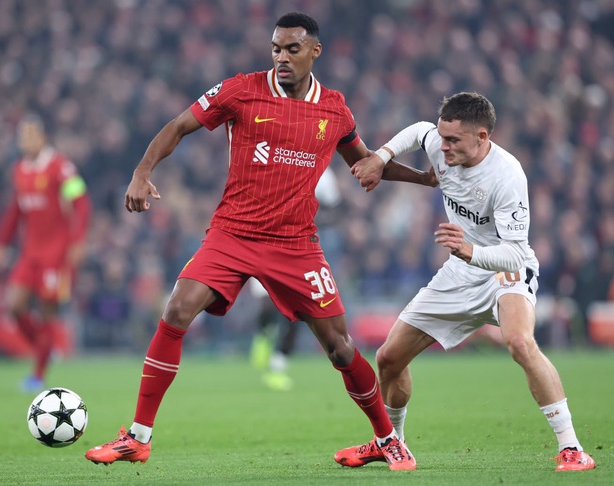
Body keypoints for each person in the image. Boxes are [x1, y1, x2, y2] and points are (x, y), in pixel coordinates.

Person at [85, 12, 434, 471]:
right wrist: (142, 171)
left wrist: (425, 179)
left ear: (315, 51)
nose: (281, 57)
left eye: (292, 48)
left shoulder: (334, 109)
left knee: (341, 348)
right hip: (232, 234)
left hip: (296, 244)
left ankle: (388, 439)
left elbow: (366, 162)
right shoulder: (241, 89)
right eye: (275, 48)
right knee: (175, 310)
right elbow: (178, 126)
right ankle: (138, 436)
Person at [335, 92, 596, 472]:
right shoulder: (439, 142)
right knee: (388, 358)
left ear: (483, 137)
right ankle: (392, 443)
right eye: (443, 137)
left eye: (453, 140)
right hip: (460, 271)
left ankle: (571, 448)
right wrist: (381, 156)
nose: (443, 147)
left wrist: (471, 251)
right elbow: (419, 131)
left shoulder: (507, 176)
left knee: (520, 342)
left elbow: (515, 254)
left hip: (502, 268)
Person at [0, 114, 91, 392]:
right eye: (23, 136)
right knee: (14, 306)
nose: (26, 141)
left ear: (42, 138)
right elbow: (16, 211)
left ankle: (38, 373)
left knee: (46, 314)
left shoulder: (60, 168)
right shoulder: (19, 170)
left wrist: (78, 241)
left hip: (56, 255)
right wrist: (0, 245)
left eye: (31, 135)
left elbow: (81, 203)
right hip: (29, 254)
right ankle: (44, 349)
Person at [249, 166, 343, 391]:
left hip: (301, 249)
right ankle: (264, 332)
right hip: (265, 242)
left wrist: (307, 215)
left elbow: (335, 211)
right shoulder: (276, 161)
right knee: (268, 305)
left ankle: (278, 365)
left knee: (300, 309)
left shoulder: (324, 173)